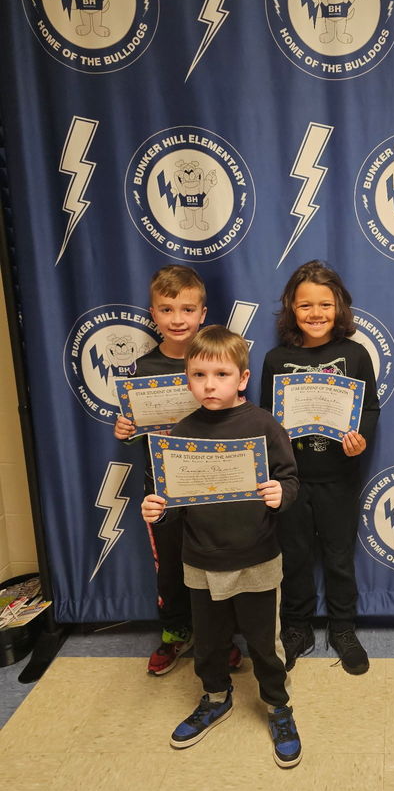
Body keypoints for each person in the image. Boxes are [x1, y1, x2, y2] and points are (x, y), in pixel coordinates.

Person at [141, 326, 302, 766]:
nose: (209, 385)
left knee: (264, 644)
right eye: (198, 375)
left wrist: (280, 494)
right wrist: (158, 509)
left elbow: (289, 479)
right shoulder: (183, 430)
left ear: (243, 378)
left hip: (257, 556)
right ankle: (215, 696)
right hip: (201, 558)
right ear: (187, 379)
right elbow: (174, 499)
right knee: (209, 641)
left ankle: (277, 705)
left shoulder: (264, 423)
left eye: (221, 374)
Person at [114, 265, 246, 676]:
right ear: (153, 314)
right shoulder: (141, 370)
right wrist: (126, 430)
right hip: (164, 492)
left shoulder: (218, 361)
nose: (177, 318)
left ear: (202, 313)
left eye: (187, 309)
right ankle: (175, 633)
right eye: (167, 309)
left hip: (214, 487)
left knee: (216, 569)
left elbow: (239, 419)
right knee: (170, 568)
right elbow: (139, 436)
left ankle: (219, 639)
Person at [260, 261, 380, 675]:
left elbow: (371, 407)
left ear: (339, 306)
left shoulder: (355, 353)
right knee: (293, 557)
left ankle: (343, 628)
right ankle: (296, 627)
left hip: (339, 477)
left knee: (338, 556)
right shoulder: (277, 358)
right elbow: (264, 418)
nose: (315, 313)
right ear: (291, 309)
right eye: (305, 305)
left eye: (325, 304)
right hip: (290, 481)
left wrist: (360, 439)